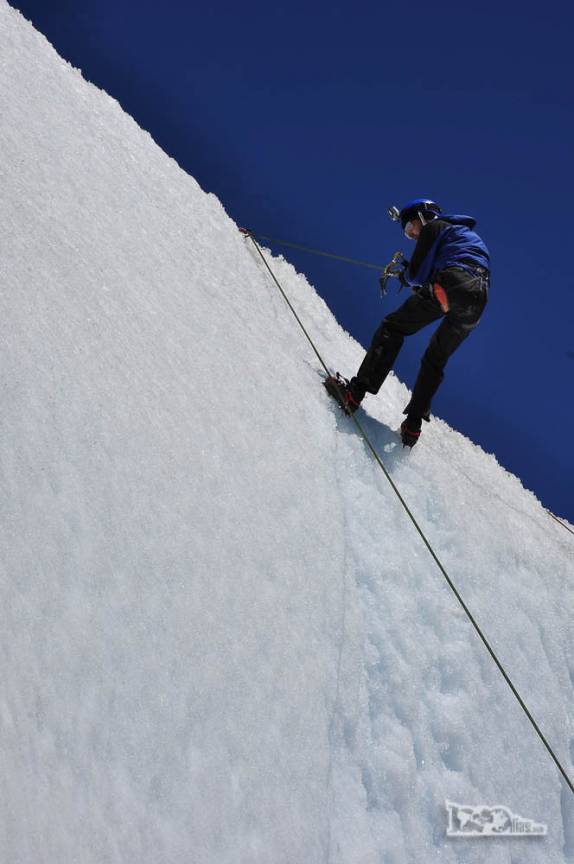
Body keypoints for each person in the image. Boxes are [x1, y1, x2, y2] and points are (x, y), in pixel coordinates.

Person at [325, 198, 490, 447]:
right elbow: (434, 272)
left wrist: (407, 277)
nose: (413, 235)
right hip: (477, 299)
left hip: (453, 281)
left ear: (424, 215)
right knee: (435, 359)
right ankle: (413, 426)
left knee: (393, 327)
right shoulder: (460, 234)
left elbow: (416, 274)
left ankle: (354, 394)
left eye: (412, 227)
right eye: (409, 233)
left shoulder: (436, 227)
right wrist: (423, 282)